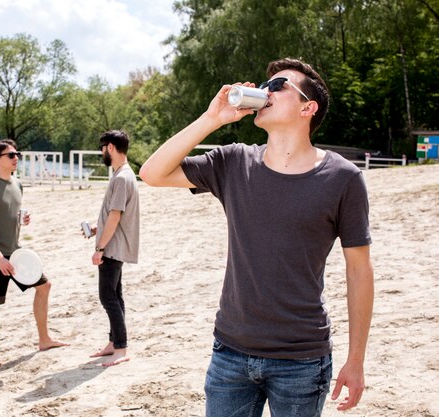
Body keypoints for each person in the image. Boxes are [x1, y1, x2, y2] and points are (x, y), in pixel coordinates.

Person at [139, 58, 374, 415]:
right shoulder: (233, 162)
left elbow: (359, 271)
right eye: (265, 86)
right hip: (230, 353)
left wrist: (355, 361)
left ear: (307, 108)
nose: (265, 92)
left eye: (278, 86)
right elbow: (152, 173)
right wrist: (212, 119)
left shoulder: (343, 179)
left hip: (302, 360)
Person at [0, 139, 68, 368]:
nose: (16, 158)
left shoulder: (17, 184)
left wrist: (21, 221)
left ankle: (44, 339)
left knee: (44, 286)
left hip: (15, 254)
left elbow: (7, 217)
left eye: (18, 154)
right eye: (11, 155)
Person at [84, 130, 140, 367]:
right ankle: (114, 342)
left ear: (110, 147)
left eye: (102, 148)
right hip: (116, 243)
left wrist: (100, 248)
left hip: (113, 247)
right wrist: (98, 227)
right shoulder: (126, 174)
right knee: (115, 295)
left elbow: (116, 215)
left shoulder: (120, 178)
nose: (101, 152)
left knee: (108, 296)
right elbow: (115, 214)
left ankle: (121, 347)